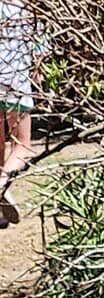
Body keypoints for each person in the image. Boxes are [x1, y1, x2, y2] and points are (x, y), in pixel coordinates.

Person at [0, 0, 35, 228]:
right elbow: (40, 42)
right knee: (23, 145)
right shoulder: (27, 6)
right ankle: (1, 185)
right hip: (14, 80)